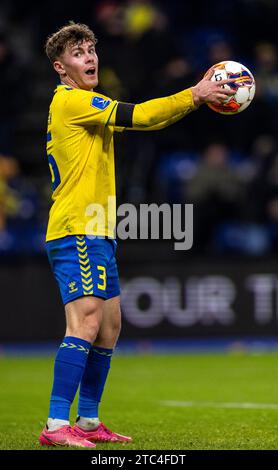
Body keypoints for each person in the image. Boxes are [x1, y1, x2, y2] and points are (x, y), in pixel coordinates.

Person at [40, 21, 235, 448]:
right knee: (86, 322)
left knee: (109, 326)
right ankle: (57, 425)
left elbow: (143, 120)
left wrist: (191, 100)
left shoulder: (90, 103)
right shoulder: (72, 101)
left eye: (91, 49)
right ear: (60, 67)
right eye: (78, 53)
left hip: (98, 230)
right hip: (77, 228)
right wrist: (195, 94)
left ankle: (88, 421)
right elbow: (143, 116)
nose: (89, 57)